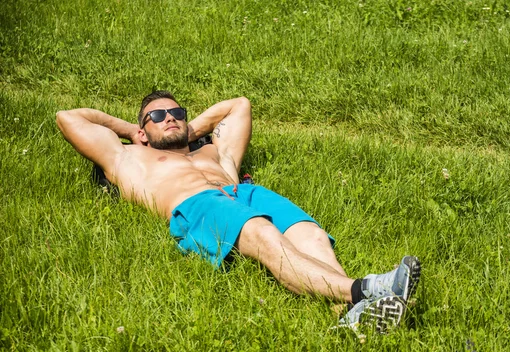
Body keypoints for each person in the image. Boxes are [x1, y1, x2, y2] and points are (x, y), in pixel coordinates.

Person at [56, 90, 421, 333]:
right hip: (195, 204)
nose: (170, 118)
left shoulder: (215, 152)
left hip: (244, 192)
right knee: (261, 232)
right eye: (158, 115)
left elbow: (239, 105)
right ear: (142, 128)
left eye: (176, 112)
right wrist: (134, 132)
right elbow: (68, 117)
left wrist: (189, 129)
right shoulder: (127, 157)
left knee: (310, 234)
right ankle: (367, 288)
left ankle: (347, 317)